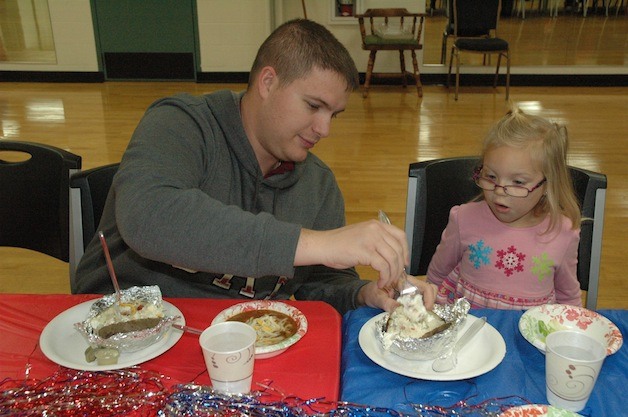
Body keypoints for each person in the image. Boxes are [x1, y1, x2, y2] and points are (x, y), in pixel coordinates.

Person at [74, 19, 435, 314]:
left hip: (238, 353)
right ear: (268, 82)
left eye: (333, 115)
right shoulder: (180, 124)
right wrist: (314, 243)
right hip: (119, 334)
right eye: (313, 106)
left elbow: (320, 284)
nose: (324, 129)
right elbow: (149, 216)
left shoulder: (318, 184)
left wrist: (363, 293)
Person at [426, 108, 582, 309]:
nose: (499, 191)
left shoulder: (563, 233)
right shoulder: (463, 219)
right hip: (467, 332)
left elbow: (568, 298)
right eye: (491, 177)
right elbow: (436, 277)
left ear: (547, 185)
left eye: (517, 182)